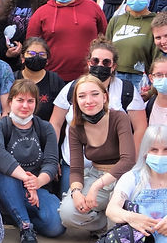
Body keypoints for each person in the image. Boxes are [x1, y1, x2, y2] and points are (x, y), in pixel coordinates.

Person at [50, 39, 148, 196]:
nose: (100, 65)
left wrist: (132, 163)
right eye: (95, 61)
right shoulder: (71, 89)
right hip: (75, 166)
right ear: (89, 63)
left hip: (113, 168)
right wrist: (52, 159)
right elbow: (55, 123)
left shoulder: (127, 91)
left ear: (113, 66)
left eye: (106, 62)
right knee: (71, 204)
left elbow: (140, 128)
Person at [0, 79, 64, 243]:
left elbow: (51, 162)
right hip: (8, 185)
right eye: (20, 100)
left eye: (30, 101)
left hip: (36, 187)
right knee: (6, 173)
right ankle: (25, 227)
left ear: (36, 104)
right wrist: (26, 179)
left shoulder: (45, 128)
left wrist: (37, 182)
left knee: (57, 226)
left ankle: (16, 214)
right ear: (10, 102)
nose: (25, 105)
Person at [59, 75, 136, 235]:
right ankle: (103, 225)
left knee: (126, 211)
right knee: (68, 213)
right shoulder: (75, 127)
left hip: (123, 177)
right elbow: (76, 169)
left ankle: (114, 226)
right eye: (82, 96)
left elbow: (128, 160)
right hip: (96, 173)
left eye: (95, 94)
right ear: (76, 101)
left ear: (104, 97)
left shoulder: (119, 118)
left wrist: (96, 186)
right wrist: (76, 192)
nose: (89, 101)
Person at [26, 0, 107, 82]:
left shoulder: (93, 7)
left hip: (89, 77)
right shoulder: (41, 13)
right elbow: (31, 45)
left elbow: (104, 37)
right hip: (53, 79)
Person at [105, 0, 159, 91]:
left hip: (141, 79)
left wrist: (152, 88)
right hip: (114, 76)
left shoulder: (156, 22)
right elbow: (106, 50)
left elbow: (158, 57)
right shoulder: (116, 21)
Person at [0, 0, 50, 68]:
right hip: (9, 61)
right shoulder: (7, 1)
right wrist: (6, 52)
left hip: (33, 59)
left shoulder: (46, 2)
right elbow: (0, 29)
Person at [14, 37, 66, 122]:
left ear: (47, 60)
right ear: (22, 57)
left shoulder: (55, 81)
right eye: (31, 53)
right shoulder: (12, 79)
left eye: (42, 54)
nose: (36, 57)